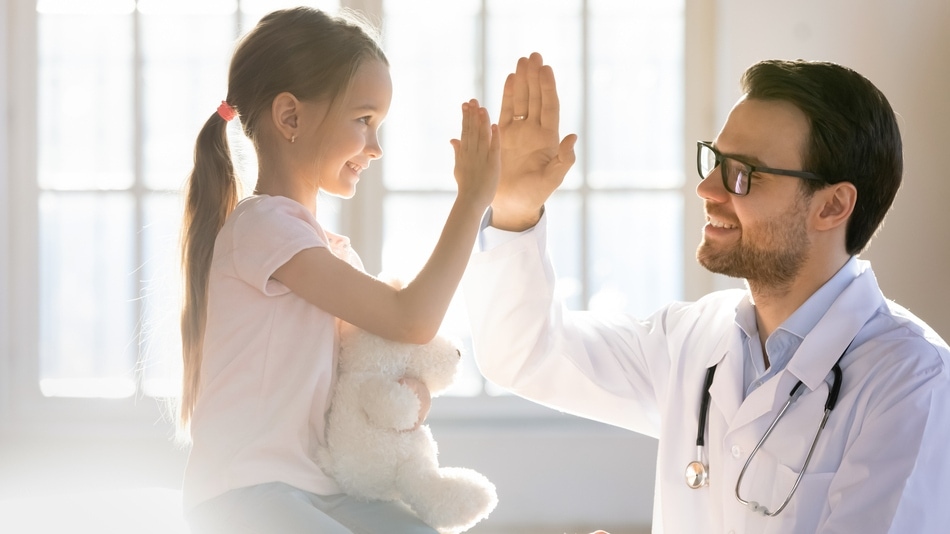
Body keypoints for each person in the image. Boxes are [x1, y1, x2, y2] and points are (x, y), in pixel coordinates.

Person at [464, 53, 950, 532]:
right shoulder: (695, 338)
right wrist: (514, 209)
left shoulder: (912, 381)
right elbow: (525, 353)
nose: (707, 188)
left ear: (831, 206)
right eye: (714, 160)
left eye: (742, 173)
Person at [178, 7, 499, 533]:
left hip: (318, 489)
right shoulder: (263, 227)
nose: (375, 148)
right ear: (291, 118)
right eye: (364, 120)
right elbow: (409, 319)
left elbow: (370, 365)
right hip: (245, 494)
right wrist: (472, 202)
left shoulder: (325, 251)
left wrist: (408, 394)